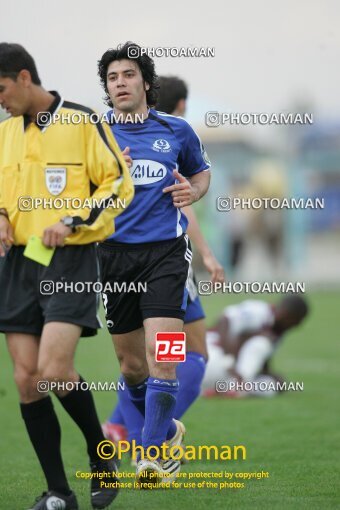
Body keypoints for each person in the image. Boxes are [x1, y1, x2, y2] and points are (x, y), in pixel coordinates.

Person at [0, 43, 134, 510]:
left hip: (70, 258)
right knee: (26, 379)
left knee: (54, 371)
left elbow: (118, 181)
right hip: (19, 262)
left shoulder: (80, 120)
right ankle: (58, 492)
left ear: (23, 77)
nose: (0, 101)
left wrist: (74, 220)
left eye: (0, 89)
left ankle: (102, 458)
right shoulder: (5, 133)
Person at [97, 43, 211, 483]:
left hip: (166, 256)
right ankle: (166, 436)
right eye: (112, 77)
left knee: (164, 359)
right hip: (112, 258)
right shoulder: (96, 134)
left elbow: (200, 173)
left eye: (128, 75)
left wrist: (193, 192)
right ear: (107, 88)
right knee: (131, 367)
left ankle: (152, 455)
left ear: (145, 82)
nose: (120, 83)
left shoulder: (177, 129)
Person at [202, 295, 309, 397]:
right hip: (211, 357)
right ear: (288, 315)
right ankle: (236, 388)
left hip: (221, 372)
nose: (296, 326)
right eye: (297, 321)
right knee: (262, 342)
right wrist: (228, 362)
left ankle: (224, 389)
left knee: (273, 385)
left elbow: (253, 358)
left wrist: (270, 374)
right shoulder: (259, 310)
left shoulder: (276, 330)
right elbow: (225, 320)